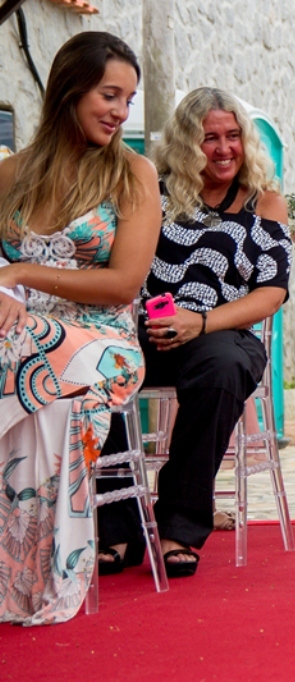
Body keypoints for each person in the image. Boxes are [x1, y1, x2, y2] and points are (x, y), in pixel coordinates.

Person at [96, 87, 292, 578]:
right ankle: (116, 523)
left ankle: (178, 526)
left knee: (222, 367)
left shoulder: (264, 203)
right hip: (144, 327)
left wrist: (199, 322)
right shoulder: (153, 194)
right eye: (209, 138)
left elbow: (272, 292)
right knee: (98, 357)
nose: (224, 149)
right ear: (186, 143)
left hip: (220, 330)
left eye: (233, 136)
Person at [0, 32, 161, 625]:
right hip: (21, 347)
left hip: (106, 347)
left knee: (30, 348)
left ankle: (47, 575)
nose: (120, 112)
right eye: (110, 95)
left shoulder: (133, 174)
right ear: (70, 89)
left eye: (128, 99)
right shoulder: (9, 174)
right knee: (39, 383)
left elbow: (124, 285)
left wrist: (20, 270)